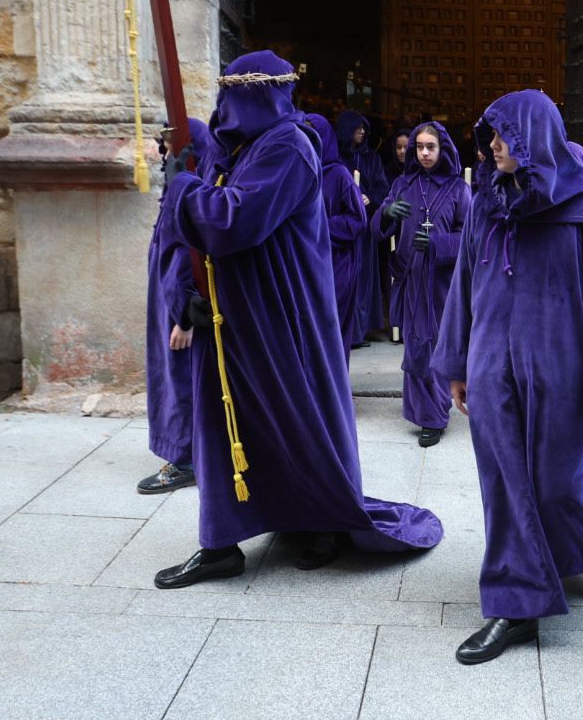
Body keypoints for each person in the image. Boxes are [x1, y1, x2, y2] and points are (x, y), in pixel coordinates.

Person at [154, 51, 442, 589]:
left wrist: (182, 188)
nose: (225, 110)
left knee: (296, 419)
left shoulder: (290, 147)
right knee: (225, 425)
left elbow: (234, 219)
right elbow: (212, 201)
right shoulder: (242, 148)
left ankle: (323, 521)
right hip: (233, 316)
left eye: (234, 98)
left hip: (283, 316)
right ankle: (220, 542)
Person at [433, 89, 583, 665]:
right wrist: (456, 363)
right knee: (504, 487)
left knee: (559, 486)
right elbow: (465, 284)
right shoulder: (485, 201)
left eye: (502, 135)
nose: (492, 146)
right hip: (491, 369)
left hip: (563, 375)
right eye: (490, 136)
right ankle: (515, 602)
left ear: (531, 138)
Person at [373, 121, 470, 447]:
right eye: (419, 147)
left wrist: (439, 243)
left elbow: (471, 239)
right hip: (411, 278)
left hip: (441, 284)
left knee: (433, 343)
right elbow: (377, 229)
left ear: (442, 149)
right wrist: (387, 213)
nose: (425, 153)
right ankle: (423, 413)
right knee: (415, 345)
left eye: (431, 147)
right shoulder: (402, 183)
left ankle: (434, 415)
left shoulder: (458, 189)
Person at [138, 119, 207, 495]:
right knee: (171, 376)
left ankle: (185, 460)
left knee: (181, 380)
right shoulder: (175, 193)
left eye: (169, 148)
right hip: (166, 302)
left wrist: (183, 317)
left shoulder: (189, 196)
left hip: (178, 310)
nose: (163, 155)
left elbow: (187, 257)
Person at [306, 114, 370, 350]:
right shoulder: (296, 170)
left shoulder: (338, 174)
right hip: (304, 261)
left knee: (331, 329)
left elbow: (357, 218)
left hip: (336, 262)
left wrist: (318, 227)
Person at [336, 110, 389, 339]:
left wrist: (370, 197)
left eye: (364, 128)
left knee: (364, 277)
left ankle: (361, 327)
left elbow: (381, 187)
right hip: (345, 227)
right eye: (357, 128)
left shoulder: (372, 159)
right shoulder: (337, 160)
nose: (362, 132)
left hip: (364, 226)